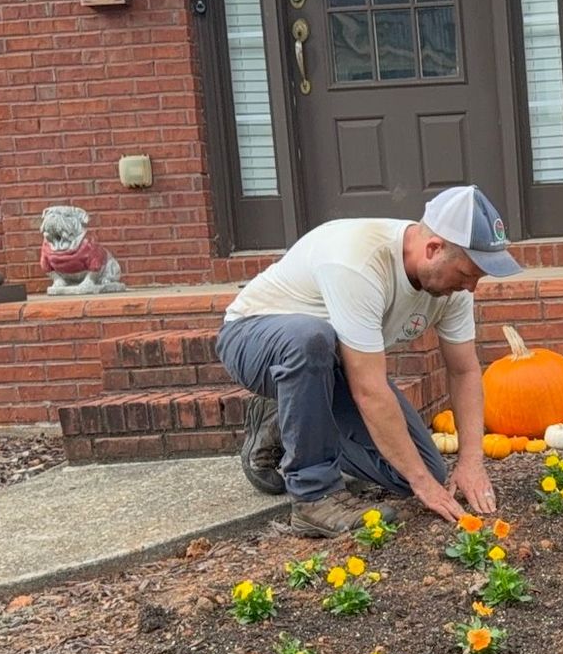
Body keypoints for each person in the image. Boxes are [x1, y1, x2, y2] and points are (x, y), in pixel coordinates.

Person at [216, 185, 516, 537]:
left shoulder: (453, 288)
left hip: (334, 366)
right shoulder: (358, 260)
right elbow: (370, 391)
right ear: (434, 249)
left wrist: (469, 462)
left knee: (420, 472)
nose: (471, 288)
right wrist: (424, 486)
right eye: (467, 275)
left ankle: (286, 421)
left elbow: (463, 370)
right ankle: (313, 496)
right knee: (310, 338)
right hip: (255, 339)